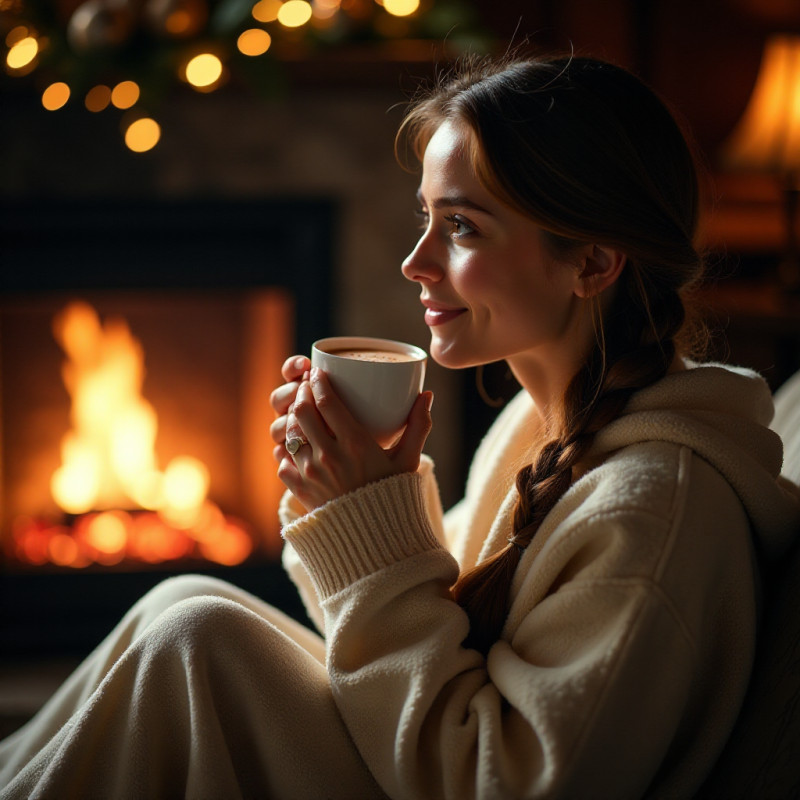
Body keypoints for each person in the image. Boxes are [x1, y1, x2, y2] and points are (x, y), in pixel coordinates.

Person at [2, 53, 799, 800]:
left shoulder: (652, 510)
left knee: (198, 635)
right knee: (185, 597)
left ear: (592, 262)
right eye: (426, 217)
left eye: (461, 227)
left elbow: (499, 776)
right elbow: (405, 638)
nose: (415, 262)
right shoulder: (542, 427)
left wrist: (369, 517)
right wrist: (341, 496)